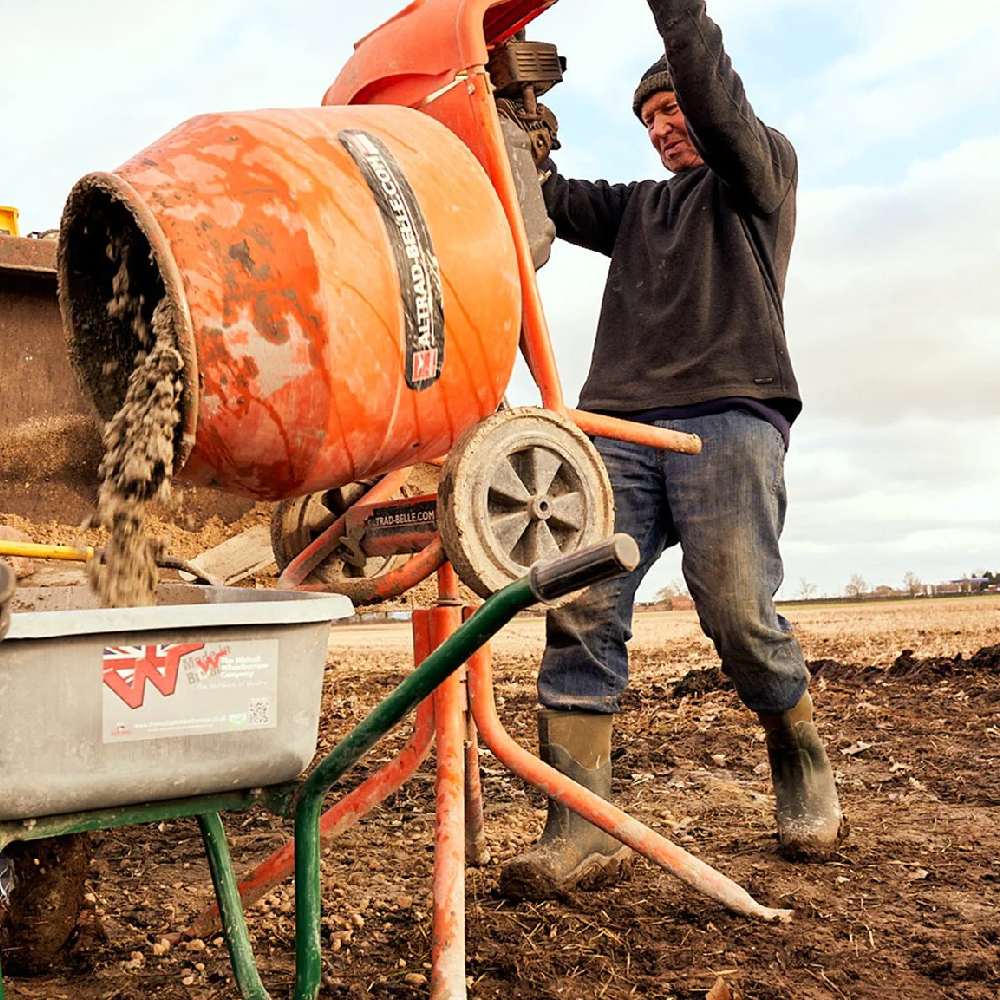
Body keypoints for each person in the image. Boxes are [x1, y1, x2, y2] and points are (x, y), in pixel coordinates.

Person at [500, 0, 844, 900]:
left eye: (671, 110)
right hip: (616, 428)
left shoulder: (757, 176)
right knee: (580, 608)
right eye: (648, 120)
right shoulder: (639, 210)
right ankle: (579, 823)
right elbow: (536, 200)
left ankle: (799, 756)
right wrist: (509, 115)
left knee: (735, 610)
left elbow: (713, 96)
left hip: (729, 418)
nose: (662, 129)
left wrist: (676, 17)